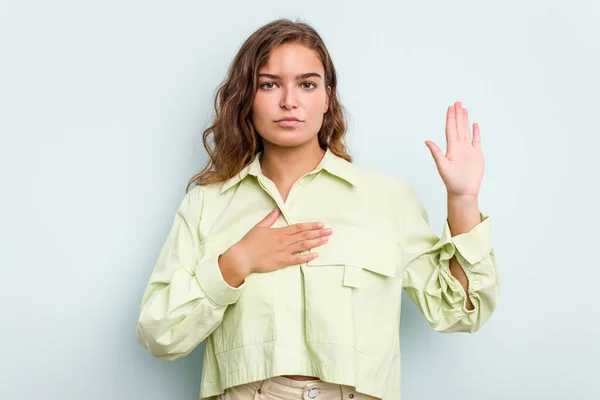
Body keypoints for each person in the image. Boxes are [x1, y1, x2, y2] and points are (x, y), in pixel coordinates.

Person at [136, 18, 500, 400]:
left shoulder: (387, 198)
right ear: (247, 96)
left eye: (306, 84)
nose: (289, 101)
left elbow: (460, 311)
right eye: (269, 84)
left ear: (327, 98)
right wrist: (235, 262)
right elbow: (160, 335)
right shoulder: (207, 204)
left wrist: (462, 200)